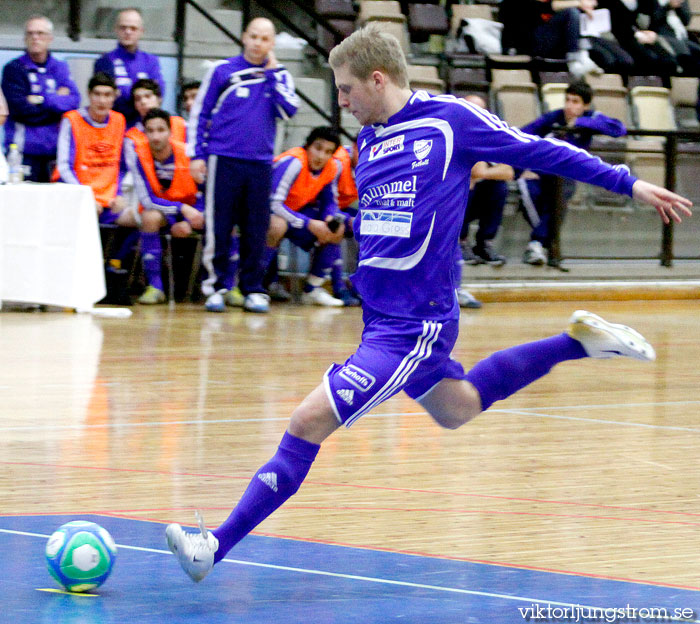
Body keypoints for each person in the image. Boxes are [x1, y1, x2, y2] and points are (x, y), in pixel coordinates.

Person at [165, 24, 691, 582]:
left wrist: (627, 182)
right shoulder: (367, 138)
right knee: (457, 407)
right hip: (380, 320)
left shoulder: (451, 121)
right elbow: (391, 218)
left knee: (307, 420)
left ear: (377, 78)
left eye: (345, 89)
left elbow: (539, 150)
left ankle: (213, 548)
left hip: (416, 325)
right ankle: (578, 342)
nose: (340, 102)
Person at [188, 17, 299, 314]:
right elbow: (199, 113)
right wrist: (196, 155)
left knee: (255, 229)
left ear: (272, 44)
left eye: (265, 39)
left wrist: (273, 73)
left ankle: (253, 289)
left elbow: (288, 110)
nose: (258, 43)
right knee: (219, 226)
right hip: (222, 159)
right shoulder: (221, 71)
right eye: (254, 36)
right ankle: (215, 287)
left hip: (261, 163)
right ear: (243, 37)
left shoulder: (280, 75)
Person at [518, 80, 627, 266]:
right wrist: (522, 169)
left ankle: (537, 244)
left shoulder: (592, 117)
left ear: (586, 105)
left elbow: (619, 129)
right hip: (537, 172)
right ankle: (546, 244)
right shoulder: (555, 117)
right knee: (541, 200)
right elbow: (523, 133)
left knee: (561, 197)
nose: (569, 105)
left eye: (575, 101)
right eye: (567, 100)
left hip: (565, 175)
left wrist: (581, 122)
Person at [123, 108, 204, 304]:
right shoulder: (138, 156)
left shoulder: (188, 154)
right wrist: (181, 210)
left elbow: (207, 192)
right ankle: (155, 286)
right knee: (149, 217)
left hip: (193, 211)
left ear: (170, 131)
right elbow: (147, 200)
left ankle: (227, 287)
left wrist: (190, 219)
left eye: (161, 130)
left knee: (231, 223)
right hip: (165, 210)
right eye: (150, 131)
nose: (156, 136)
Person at [265, 126, 346, 307]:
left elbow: (330, 201)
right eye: (318, 148)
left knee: (336, 229)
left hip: (293, 216)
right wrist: (309, 223)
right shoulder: (293, 162)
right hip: (263, 213)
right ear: (307, 146)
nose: (321, 156)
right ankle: (255, 285)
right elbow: (273, 204)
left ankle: (312, 289)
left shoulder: (331, 168)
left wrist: (329, 218)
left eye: (328, 152)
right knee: (276, 225)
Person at [1, 15, 80, 182]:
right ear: (24, 38)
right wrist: (56, 103)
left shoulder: (60, 67)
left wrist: (41, 99)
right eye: (30, 34)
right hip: (23, 153)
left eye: (40, 33)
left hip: (55, 152)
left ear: (50, 38)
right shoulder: (13, 69)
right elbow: (20, 109)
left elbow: (74, 102)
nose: (35, 38)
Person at [55, 72, 135, 226]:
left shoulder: (119, 120)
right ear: (89, 95)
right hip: (78, 193)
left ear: (114, 97)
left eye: (107, 95)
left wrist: (119, 195)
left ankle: (139, 251)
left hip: (109, 198)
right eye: (97, 94)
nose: (102, 100)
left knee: (139, 218)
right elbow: (64, 167)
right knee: (88, 214)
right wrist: (85, 196)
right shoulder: (72, 120)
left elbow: (123, 166)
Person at [94, 8, 165, 126]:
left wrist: (124, 92)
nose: (128, 32)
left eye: (133, 28)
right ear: (116, 30)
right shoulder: (104, 61)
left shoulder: (151, 61)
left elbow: (158, 94)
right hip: (115, 127)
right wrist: (142, 96)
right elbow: (107, 99)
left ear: (141, 31)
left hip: (146, 128)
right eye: (123, 27)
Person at [498, 0, 601, 76]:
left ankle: (583, 55)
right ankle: (574, 61)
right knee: (571, 12)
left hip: (548, 42)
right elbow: (545, 7)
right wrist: (579, 3)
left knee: (577, 16)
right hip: (527, 44)